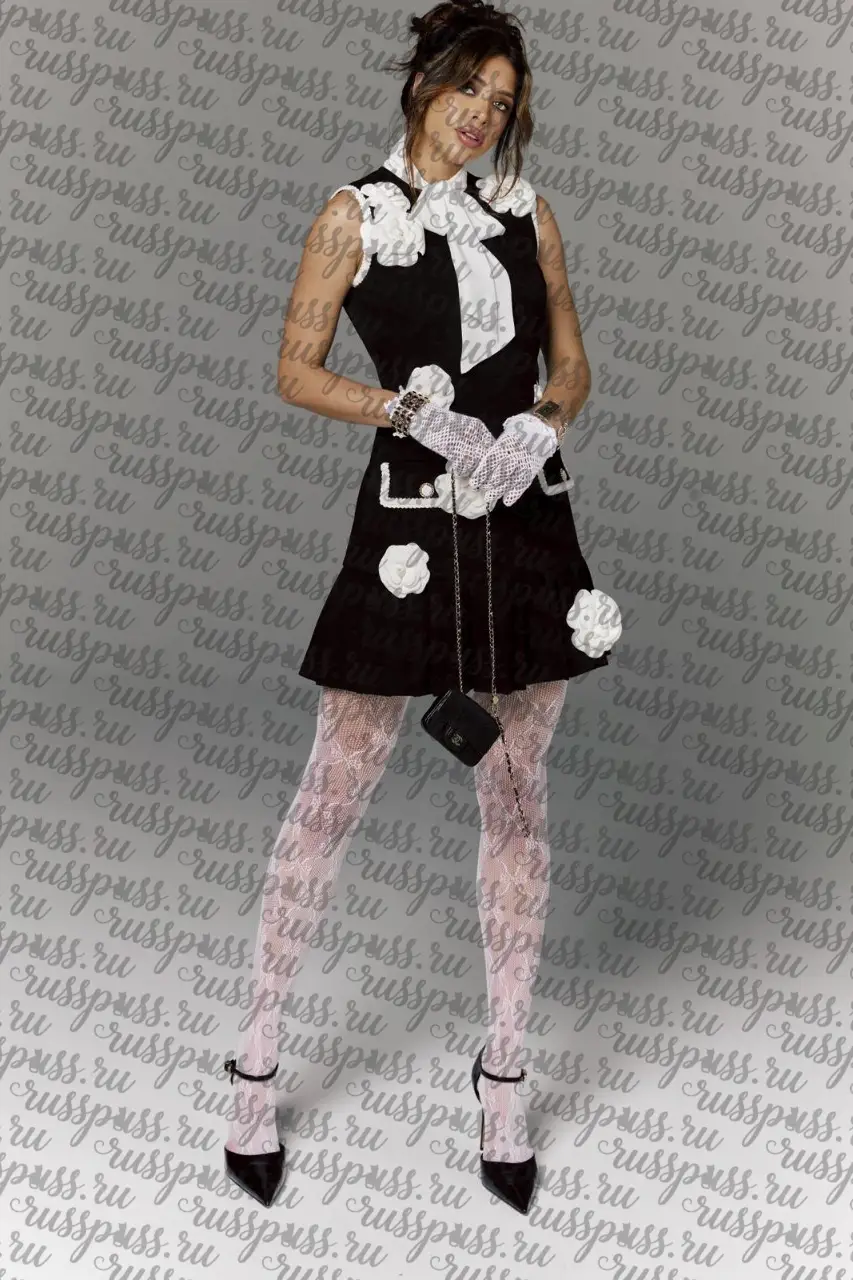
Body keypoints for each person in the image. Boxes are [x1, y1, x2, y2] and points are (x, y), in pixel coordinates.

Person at [221, 0, 622, 1217]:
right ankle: (255, 1061)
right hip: (409, 520)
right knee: (329, 796)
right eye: (467, 90)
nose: (483, 115)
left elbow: (572, 363)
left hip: (525, 518)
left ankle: (504, 1076)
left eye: (503, 101)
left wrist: (537, 424)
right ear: (422, 84)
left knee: (518, 798)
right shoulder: (354, 214)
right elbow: (294, 370)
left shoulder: (528, 212)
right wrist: (406, 411)